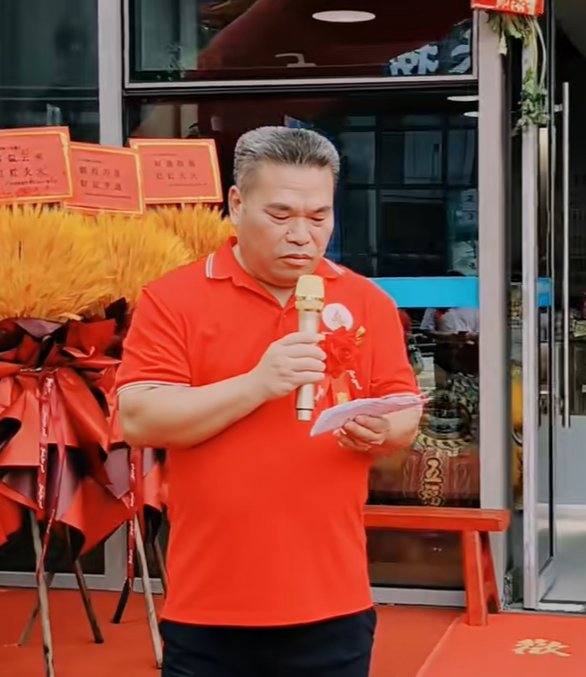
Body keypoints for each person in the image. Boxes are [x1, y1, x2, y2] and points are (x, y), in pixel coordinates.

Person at [116, 126, 423, 677]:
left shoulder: (367, 302)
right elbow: (139, 417)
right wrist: (257, 384)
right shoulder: (173, 299)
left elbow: (404, 408)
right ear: (236, 205)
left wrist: (384, 430)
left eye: (319, 216)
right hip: (210, 603)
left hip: (334, 597)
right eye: (280, 215)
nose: (302, 236)